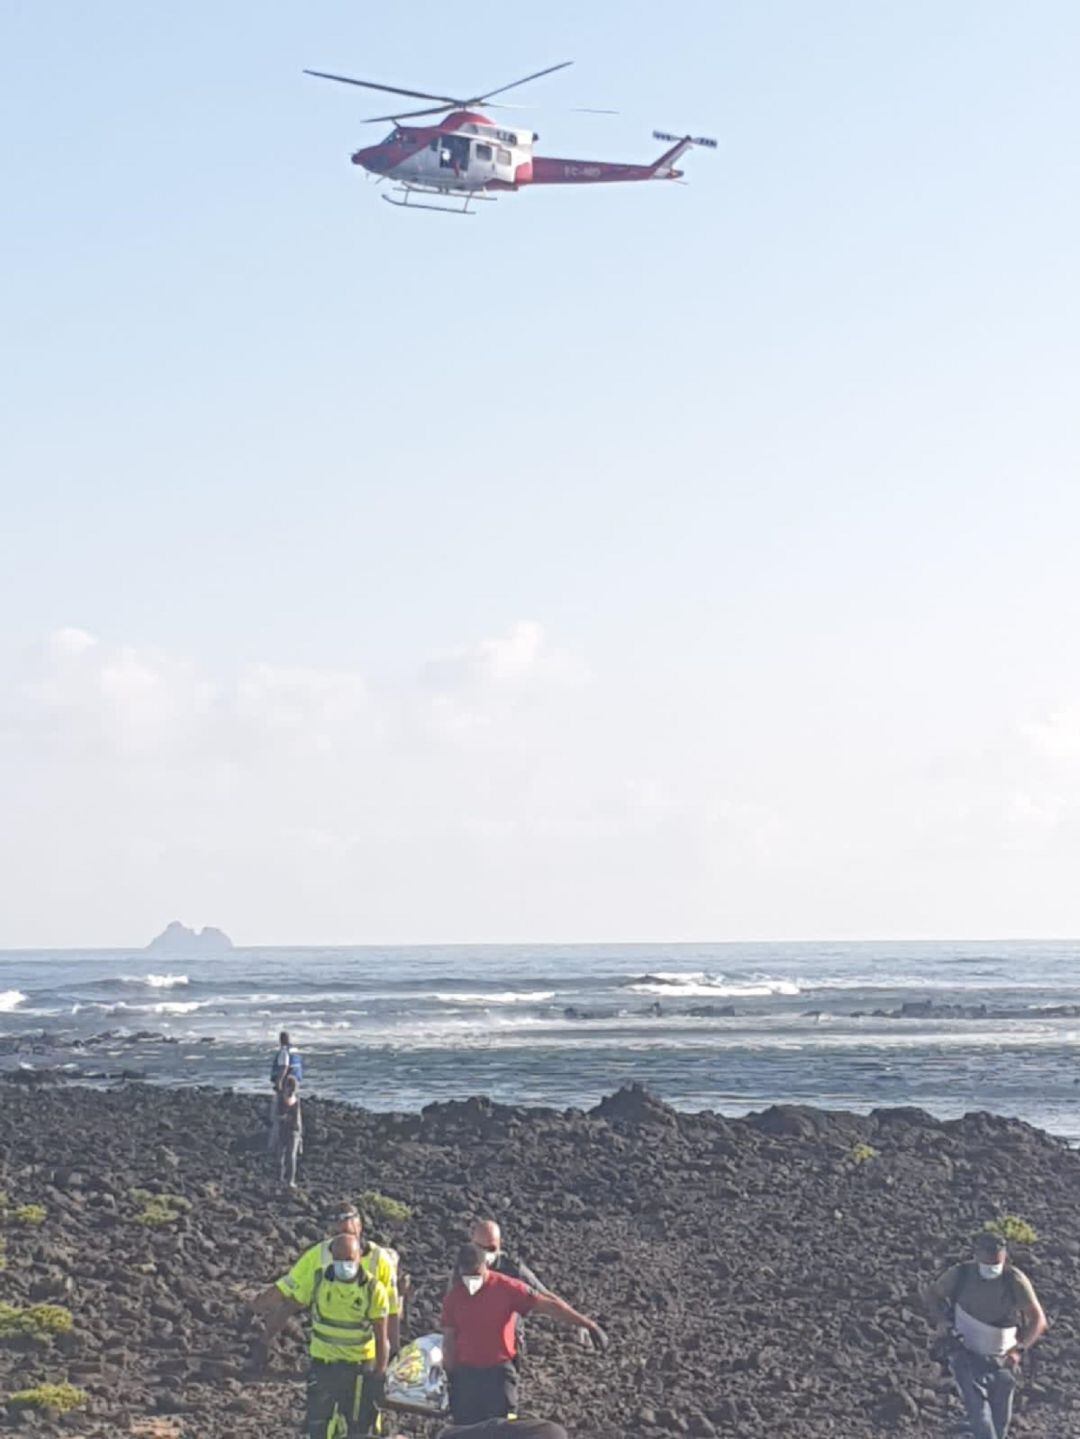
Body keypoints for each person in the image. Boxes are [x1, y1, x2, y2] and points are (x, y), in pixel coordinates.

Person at [441, 1243, 607, 1426]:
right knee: (465, 1429)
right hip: (467, 1376)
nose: (472, 1282)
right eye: (467, 1277)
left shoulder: (507, 1288)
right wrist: (451, 1377)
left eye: (476, 1276)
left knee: (507, 1424)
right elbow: (449, 1340)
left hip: (499, 1375)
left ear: (485, 1266)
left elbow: (549, 1306)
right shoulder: (454, 1297)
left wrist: (588, 1324)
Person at [924, 1231, 1047, 1439]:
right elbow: (931, 1294)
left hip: (1003, 1361)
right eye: (988, 1264)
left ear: (1004, 1256)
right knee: (980, 1417)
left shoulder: (1013, 1280)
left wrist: (1020, 1349)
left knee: (1000, 1424)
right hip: (966, 1355)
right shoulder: (960, 1275)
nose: (992, 1269)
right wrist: (942, 1322)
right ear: (976, 1255)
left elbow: (1038, 1319)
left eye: (996, 1265)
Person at [249, 1203, 404, 1359]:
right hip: (326, 1346)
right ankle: (263, 1344)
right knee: (291, 1302)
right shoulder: (319, 1255)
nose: (343, 1239)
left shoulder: (379, 1259)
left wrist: (393, 1353)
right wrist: (255, 1309)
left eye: (347, 1232)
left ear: (359, 1226)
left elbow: (391, 1309)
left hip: (363, 1348)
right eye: (338, 1234)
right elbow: (287, 1288)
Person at [302, 1232, 389, 1438]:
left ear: (360, 1256)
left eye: (349, 1259)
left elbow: (381, 1335)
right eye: (339, 1259)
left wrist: (379, 1372)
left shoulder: (373, 1289)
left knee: (358, 1429)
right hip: (324, 1365)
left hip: (359, 1369)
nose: (344, 1265)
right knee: (317, 1425)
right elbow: (291, 1301)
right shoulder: (318, 1280)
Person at [469, 1218, 591, 1350]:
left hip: (506, 1346)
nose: (484, 1253)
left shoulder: (513, 1270)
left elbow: (547, 1299)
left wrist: (584, 1323)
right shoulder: (464, 1266)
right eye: (479, 1247)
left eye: (490, 1248)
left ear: (499, 1246)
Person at [268, 1030, 303, 1151]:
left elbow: (284, 1067)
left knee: (279, 1111)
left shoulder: (284, 1051)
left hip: (286, 1084)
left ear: (281, 1040)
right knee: (295, 1111)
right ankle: (298, 1142)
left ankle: (275, 1141)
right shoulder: (295, 1050)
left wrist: (278, 1083)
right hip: (295, 1083)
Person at [273, 1073, 303, 1187]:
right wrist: (282, 1118)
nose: (289, 1088)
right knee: (279, 1154)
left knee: (291, 1155)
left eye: (291, 1086)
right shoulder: (280, 1099)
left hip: (293, 1130)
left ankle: (290, 1180)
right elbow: (275, 1115)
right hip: (282, 1129)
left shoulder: (296, 1100)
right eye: (287, 1085)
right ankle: (279, 1178)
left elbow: (297, 1118)